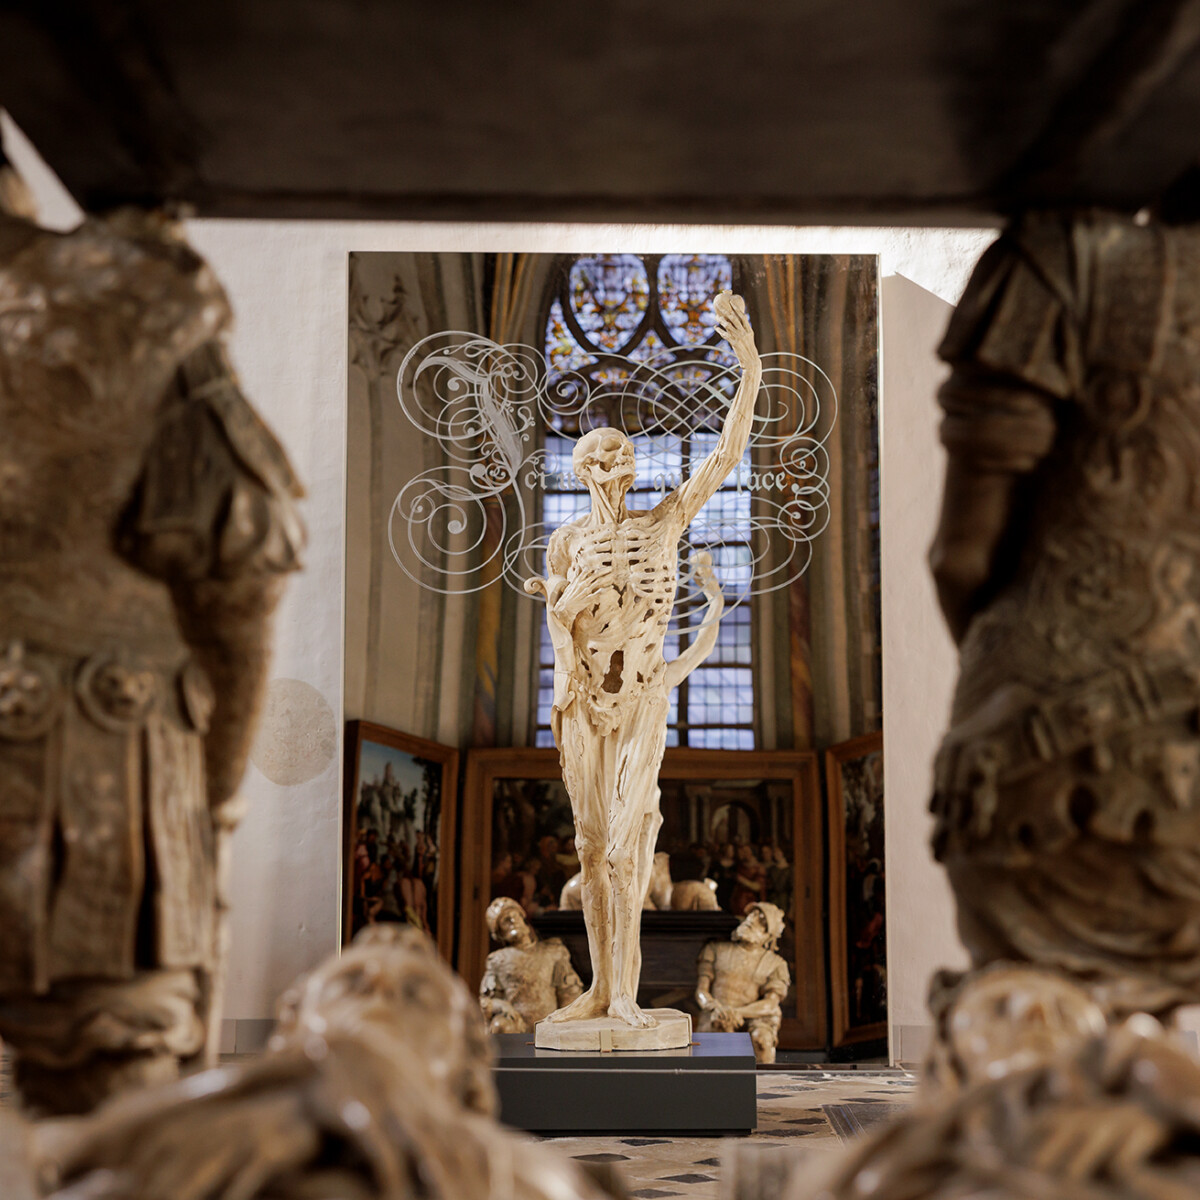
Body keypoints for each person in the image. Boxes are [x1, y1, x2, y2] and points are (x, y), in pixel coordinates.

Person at [0, 152, 303, 1115]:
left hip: (78, 749)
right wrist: (213, 800)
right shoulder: (131, 296)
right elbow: (241, 569)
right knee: (118, 1130)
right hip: (82, 768)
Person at [928, 211, 1200, 1020]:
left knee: (1050, 1068)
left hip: (1045, 762)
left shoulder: (1059, 262)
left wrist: (1004, 668)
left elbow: (962, 557)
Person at [525, 291, 761, 1030]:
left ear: (633, 464)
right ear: (580, 466)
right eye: (595, 454)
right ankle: (599, 990)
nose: (610, 461)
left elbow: (725, 454)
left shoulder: (666, 523)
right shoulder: (565, 542)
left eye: (621, 451)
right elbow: (559, 631)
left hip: (642, 699)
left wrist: (749, 368)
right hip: (581, 703)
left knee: (629, 843)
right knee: (592, 849)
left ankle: (625, 995)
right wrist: (566, 602)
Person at [695, 902, 790, 1063]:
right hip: (717, 1011)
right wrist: (715, 1007)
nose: (752, 921)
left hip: (753, 1016)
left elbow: (770, 1004)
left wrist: (738, 1012)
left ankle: (762, 1084)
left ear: (769, 936)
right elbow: (701, 992)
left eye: (761, 922)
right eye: (752, 915)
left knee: (762, 1040)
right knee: (717, 1036)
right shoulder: (716, 949)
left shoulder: (775, 964)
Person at [479, 897, 583, 1034]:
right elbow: (487, 1001)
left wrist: (565, 1018)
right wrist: (502, 1006)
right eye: (505, 921)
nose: (512, 921)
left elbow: (570, 991)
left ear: (522, 916)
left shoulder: (553, 951)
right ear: (499, 933)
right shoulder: (498, 960)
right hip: (516, 1025)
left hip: (549, 1022)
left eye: (513, 915)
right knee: (500, 1026)